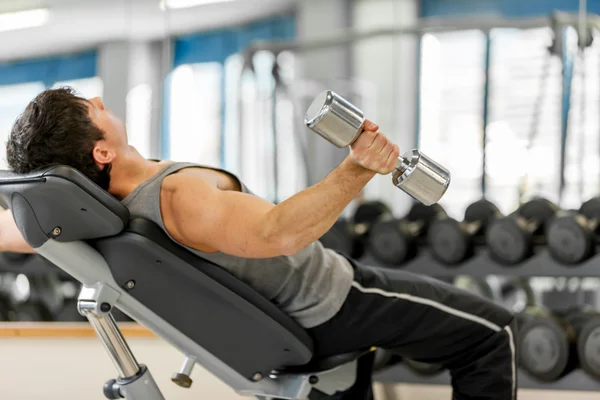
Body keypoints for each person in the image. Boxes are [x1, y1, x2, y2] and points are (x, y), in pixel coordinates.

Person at [2, 87, 517, 399]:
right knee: (491, 337)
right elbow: (279, 234)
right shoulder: (176, 197)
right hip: (330, 301)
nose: (98, 101)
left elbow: (20, 228)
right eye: (89, 109)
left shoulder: (100, 217)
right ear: (101, 150)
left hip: (303, 313)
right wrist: (359, 168)